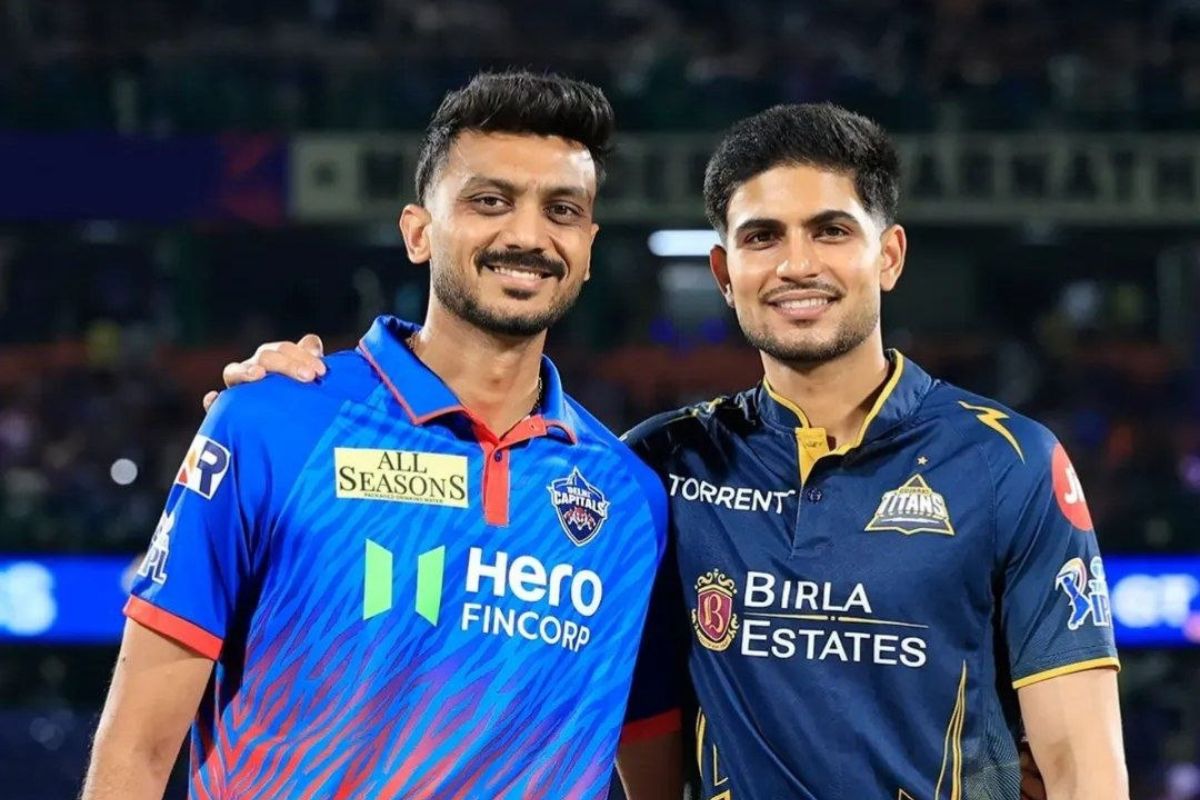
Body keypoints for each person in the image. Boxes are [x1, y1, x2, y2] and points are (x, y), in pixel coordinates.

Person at [213, 104, 1126, 798]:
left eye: (830, 231)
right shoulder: (656, 472)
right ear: (725, 272)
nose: (797, 264)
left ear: (887, 255)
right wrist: (283, 399)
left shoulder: (1008, 464)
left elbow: (1083, 763)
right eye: (762, 237)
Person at [81, 71, 678, 800]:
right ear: (418, 232)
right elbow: (136, 750)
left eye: (562, 210)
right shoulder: (272, 424)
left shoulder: (632, 499)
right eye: (489, 202)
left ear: (587, 246)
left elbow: (656, 769)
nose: (527, 236)